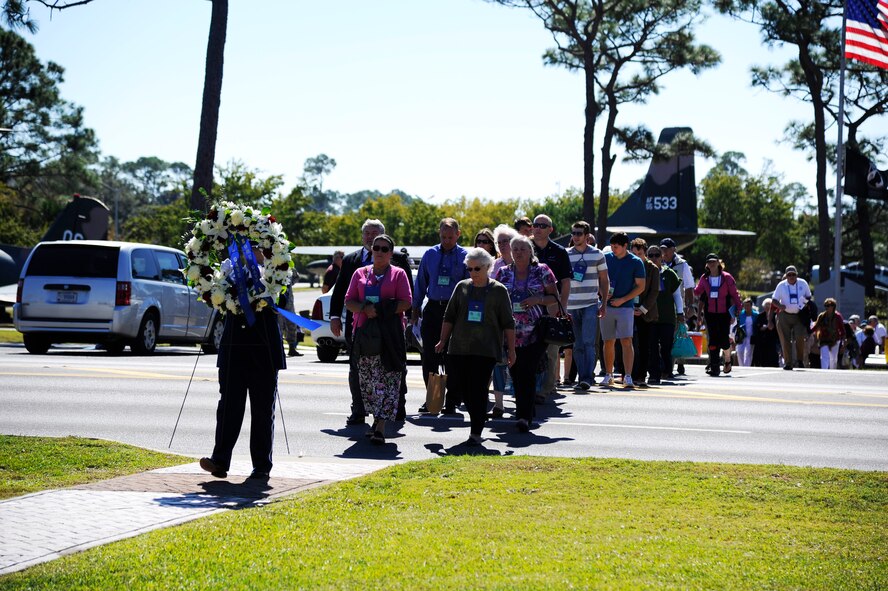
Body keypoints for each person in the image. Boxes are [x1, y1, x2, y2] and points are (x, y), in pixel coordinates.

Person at [200, 248, 285, 481]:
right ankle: (220, 460)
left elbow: (282, 299)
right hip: (234, 347)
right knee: (228, 405)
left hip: (263, 348)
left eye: (255, 246)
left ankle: (260, 466)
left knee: (262, 409)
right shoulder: (227, 273)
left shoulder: (275, 272)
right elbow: (216, 302)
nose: (250, 251)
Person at [329, 219, 413, 425]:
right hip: (361, 326)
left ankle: (396, 407)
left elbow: (408, 295)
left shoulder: (399, 261)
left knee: (393, 366)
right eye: (367, 233)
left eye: (375, 234)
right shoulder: (351, 261)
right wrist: (334, 317)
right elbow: (341, 292)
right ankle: (359, 409)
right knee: (359, 369)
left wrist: (405, 316)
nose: (371, 239)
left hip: (390, 327)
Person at [436, 248, 516, 445]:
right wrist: (443, 340)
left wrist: (511, 350)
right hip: (459, 348)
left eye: (477, 269)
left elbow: (508, 322)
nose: (473, 273)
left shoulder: (499, 290)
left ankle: (476, 430)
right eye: (469, 269)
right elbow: (449, 316)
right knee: (462, 389)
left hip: (486, 350)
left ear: (488, 267)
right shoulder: (462, 287)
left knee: (478, 389)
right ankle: (477, 418)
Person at [344, 234, 412, 444]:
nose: (380, 252)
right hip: (365, 333)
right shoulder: (360, 273)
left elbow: (406, 302)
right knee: (368, 380)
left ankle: (381, 424)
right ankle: (375, 419)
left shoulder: (398, 274)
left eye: (384, 249)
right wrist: (365, 309)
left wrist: (383, 309)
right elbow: (349, 301)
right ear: (371, 250)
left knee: (389, 378)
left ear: (391, 253)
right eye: (376, 248)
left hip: (390, 333)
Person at [492, 235, 558, 432]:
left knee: (526, 372)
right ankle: (526, 408)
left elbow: (554, 296)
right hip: (510, 333)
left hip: (536, 332)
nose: (519, 252)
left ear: (530, 251)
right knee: (515, 372)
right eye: (515, 249)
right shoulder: (503, 273)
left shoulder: (542, 270)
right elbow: (494, 297)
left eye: (523, 249)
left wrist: (538, 299)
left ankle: (523, 416)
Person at [412, 218, 469, 414]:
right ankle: (432, 399)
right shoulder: (430, 254)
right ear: (439, 234)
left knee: (453, 357)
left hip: (455, 311)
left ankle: (452, 401)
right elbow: (420, 282)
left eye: (451, 237)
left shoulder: (465, 256)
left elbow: (468, 286)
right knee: (429, 356)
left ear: (458, 234)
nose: (446, 240)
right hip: (433, 309)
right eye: (443, 236)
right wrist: (415, 307)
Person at [530, 214, 572, 401]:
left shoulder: (559, 251)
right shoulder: (524, 247)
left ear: (550, 230)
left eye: (542, 225)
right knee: (528, 348)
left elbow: (565, 282)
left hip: (551, 306)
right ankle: (528, 386)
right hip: (527, 307)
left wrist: (562, 306)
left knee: (551, 351)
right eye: (535, 225)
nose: (537, 228)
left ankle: (545, 389)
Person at [565, 221, 608, 391]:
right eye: (573, 233)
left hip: (590, 303)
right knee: (577, 344)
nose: (575, 236)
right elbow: (562, 281)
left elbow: (604, 280)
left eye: (579, 233)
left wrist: (603, 303)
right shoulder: (566, 254)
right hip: (571, 305)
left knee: (589, 342)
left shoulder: (597, 254)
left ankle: (587, 378)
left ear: (587, 236)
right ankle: (582, 377)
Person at [601, 232, 646, 388]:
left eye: (616, 246)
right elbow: (599, 279)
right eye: (612, 246)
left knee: (626, 340)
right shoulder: (606, 258)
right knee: (608, 341)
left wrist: (623, 300)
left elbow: (641, 286)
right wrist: (602, 294)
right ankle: (608, 374)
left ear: (625, 246)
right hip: (606, 305)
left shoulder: (635, 262)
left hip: (625, 307)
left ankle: (627, 376)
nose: (613, 249)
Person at [694, 253, 742, 377]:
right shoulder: (704, 278)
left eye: (714, 261)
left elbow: (735, 294)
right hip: (710, 314)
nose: (711, 263)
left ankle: (727, 359)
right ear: (707, 264)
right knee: (713, 340)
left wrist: (738, 308)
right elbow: (697, 291)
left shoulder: (727, 277)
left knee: (724, 340)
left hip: (724, 313)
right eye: (709, 261)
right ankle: (715, 367)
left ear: (718, 262)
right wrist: (687, 286)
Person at [490, 224, 518, 416]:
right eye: (499, 242)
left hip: (523, 323)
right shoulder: (496, 266)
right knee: (499, 362)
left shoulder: (527, 262)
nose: (502, 245)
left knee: (520, 362)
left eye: (505, 241)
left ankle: (521, 400)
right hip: (500, 321)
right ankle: (499, 404)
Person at [659, 238, 693, 375]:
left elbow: (690, 286)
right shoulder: (657, 263)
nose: (664, 251)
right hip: (661, 305)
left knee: (673, 337)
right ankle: (667, 366)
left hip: (678, 306)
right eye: (662, 248)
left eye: (667, 249)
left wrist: (690, 306)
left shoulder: (682, 265)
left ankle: (670, 367)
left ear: (674, 250)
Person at [647, 244, 680, 385]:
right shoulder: (644, 272)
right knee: (652, 346)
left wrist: (680, 313)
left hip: (667, 317)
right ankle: (654, 373)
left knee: (666, 346)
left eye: (657, 255)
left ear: (662, 257)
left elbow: (677, 295)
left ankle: (667, 370)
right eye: (651, 255)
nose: (654, 258)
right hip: (650, 317)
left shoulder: (669, 273)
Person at [629, 238, 660, 387]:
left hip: (646, 313)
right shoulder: (628, 265)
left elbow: (654, 292)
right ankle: (627, 374)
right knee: (627, 343)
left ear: (645, 253)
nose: (636, 256)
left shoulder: (653, 268)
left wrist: (642, 309)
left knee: (644, 345)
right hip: (629, 309)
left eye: (639, 253)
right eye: (633, 253)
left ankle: (641, 375)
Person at [770, 265, 813, 370]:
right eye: (789, 275)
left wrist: (804, 302)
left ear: (796, 275)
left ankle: (799, 360)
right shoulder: (781, 285)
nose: (791, 277)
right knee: (785, 339)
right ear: (786, 275)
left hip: (799, 315)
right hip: (784, 315)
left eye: (793, 274)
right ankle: (788, 363)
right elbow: (774, 300)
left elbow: (809, 296)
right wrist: (780, 306)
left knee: (799, 338)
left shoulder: (803, 283)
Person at [812, 298, 845, 369]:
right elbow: (816, 326)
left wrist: (842, 341)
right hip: (824, 339)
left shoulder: (838, 316)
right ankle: (824, 371)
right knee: (824, 356)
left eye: (829, 305)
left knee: (833, 358)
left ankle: (832, 371)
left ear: (833, 306)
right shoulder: (822, 316)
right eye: (826, 305)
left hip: (835, 339)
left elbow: (842, 330)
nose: (828, 307)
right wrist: (809, 332)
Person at [752, 298, 780, 367]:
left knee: (773, 356)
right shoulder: (760, 316)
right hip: (762, 340)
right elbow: (756, 327)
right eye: (766, 305)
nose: (768, 307)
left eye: (769, 305)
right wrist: (761, 328)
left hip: (772, 340)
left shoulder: (776, 316)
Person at [277, 287, 303, 357]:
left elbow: (295, 277)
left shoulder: (290, 275)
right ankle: (280, 349)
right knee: (280, 326)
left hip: (289, 301)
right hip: (278, 301)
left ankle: (292, 348)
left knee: (292, 325)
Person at [735, 297, 757, 367]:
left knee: (749, 353)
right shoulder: (741, 314)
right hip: (742, 335)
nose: (746, 307)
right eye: (745, 305)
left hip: (751, 336)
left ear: (751, 306)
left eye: (748, 305)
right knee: (739, 351)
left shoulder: (756, 315)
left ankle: (747, 367)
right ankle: (741, 366)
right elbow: (736, 324)